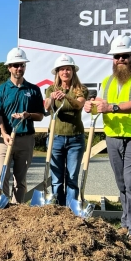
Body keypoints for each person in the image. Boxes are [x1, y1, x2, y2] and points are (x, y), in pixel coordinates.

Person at [84, 36, 131, 248]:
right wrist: (91, 105)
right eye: (117, 56)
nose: (121, 60)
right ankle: (126, 224)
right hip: (113, 136)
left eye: (125, 56)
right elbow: (102, 103)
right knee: (122, 183)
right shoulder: (107, 81)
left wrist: (112, 107)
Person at [0, 47, 44, 204]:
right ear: (9, 67)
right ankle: (2, 207)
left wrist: (28, 115)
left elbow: (40, 116)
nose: (19, 68)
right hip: (4, 139)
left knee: (20, 180)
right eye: (15, 65)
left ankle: (17, 210)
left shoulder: (33, 90)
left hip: (26, 138)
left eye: (22, 65)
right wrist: (4, 133)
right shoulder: (1, 90)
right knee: (1, 175)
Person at [43, 54, 89, 207]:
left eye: (68, 69)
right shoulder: (51, 89)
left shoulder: (80, 89)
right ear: (57, 72)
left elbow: (78, 105)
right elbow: (47, 106)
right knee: (56, 179)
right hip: (55, 139)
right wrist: (51, 98)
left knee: (72, 177)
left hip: (75, 139)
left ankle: (71, 210)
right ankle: (58, 209)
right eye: (62, 69)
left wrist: (66, 97)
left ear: (73, 71)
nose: (65, 72)